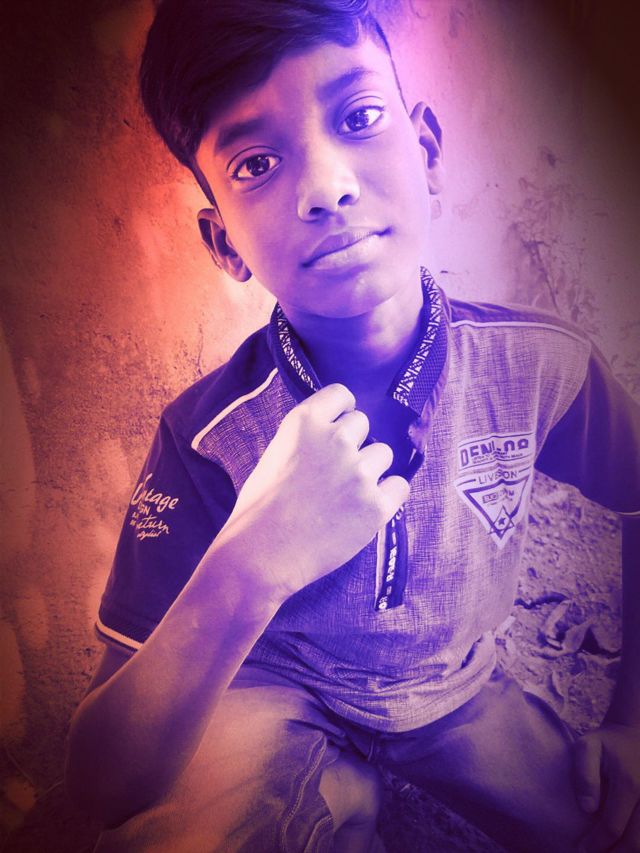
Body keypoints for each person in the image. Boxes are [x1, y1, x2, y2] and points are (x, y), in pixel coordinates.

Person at [65, 2, 640, 851]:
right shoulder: (205, 436)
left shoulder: (539, 366)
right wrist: (250, 565)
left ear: (428, 149)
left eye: (359, 116)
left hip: (452, 692)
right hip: (268, 692)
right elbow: (100, 783)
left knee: (611, 817)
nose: (327, 187)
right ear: (224, 243)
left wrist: (633, 720)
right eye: (256, 162)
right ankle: (336, 789)